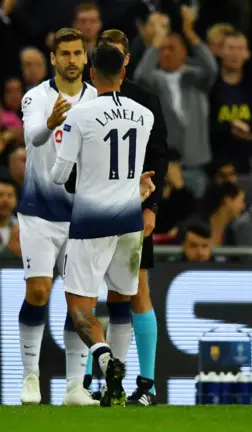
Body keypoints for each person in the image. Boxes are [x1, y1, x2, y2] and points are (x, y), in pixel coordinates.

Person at [50, 43, 155, 407]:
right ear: (123, 72)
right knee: (122, 301)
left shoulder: (79, 115)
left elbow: (60, 174)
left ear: (91, 73)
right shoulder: (145, 115)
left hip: (92, 220)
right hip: (130, 220)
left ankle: (106, 358)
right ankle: (118, 390)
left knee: (80, 309)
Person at [79, 29, 167, 406]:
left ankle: (145, 384)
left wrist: (152, 207)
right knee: (89, 295)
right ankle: (93, 380)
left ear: (127, 59)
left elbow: (158, 156)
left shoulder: (145, 98)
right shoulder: (84, 99)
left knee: (134, 292)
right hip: (94, 211)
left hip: (130, 210)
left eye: (116, 54)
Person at [17, 28, 99, 406]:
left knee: (78, 303)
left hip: (82, 215)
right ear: (53, 58)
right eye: (64, 53)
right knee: (38, 291)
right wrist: (50, 123)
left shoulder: (98, 100)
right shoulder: (35, 97)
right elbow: (33, 136)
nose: (71, 60)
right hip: (39, 211)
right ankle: (30, 376)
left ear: (86, 58)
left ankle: (73, 388)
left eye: (77, 53)